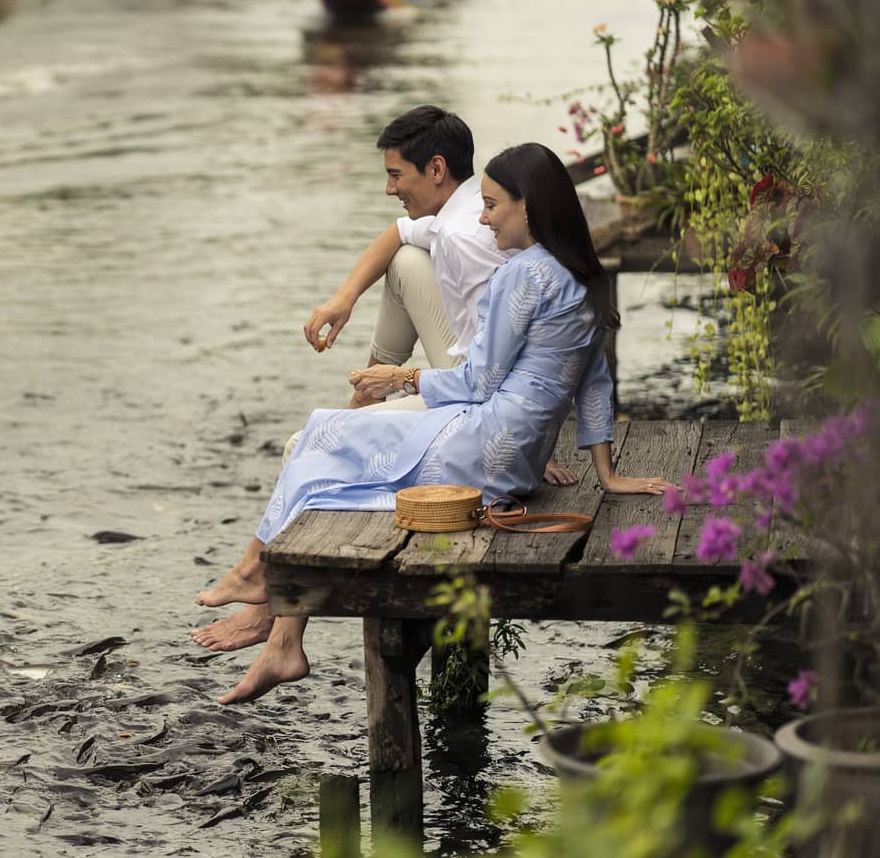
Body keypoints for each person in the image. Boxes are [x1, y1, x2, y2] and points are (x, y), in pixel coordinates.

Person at [192, 142, 675, 704]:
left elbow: (479, 382)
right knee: (331, 448)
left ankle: (262, 588)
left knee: (322, 435)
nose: (485, 216)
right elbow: (595, 386)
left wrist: (402, 378)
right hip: (514, 460)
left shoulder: (523, 275)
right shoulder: (584, 277)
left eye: (493, 205)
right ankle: (271, 615)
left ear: (529, 207)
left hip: (478, 444)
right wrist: (608, 474)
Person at [191, 106, 569, 654]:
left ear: (436, 169)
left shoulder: (470, 238)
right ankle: (361, 405)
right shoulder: (458, 217)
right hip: (483, 378)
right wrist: (342, 300)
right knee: (407, 260)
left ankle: (274, 616)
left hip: (476, 397)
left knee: (307, 444)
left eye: (397, 175)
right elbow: (395, 235)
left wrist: (519, 428)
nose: (390, 188)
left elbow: (498, 367)